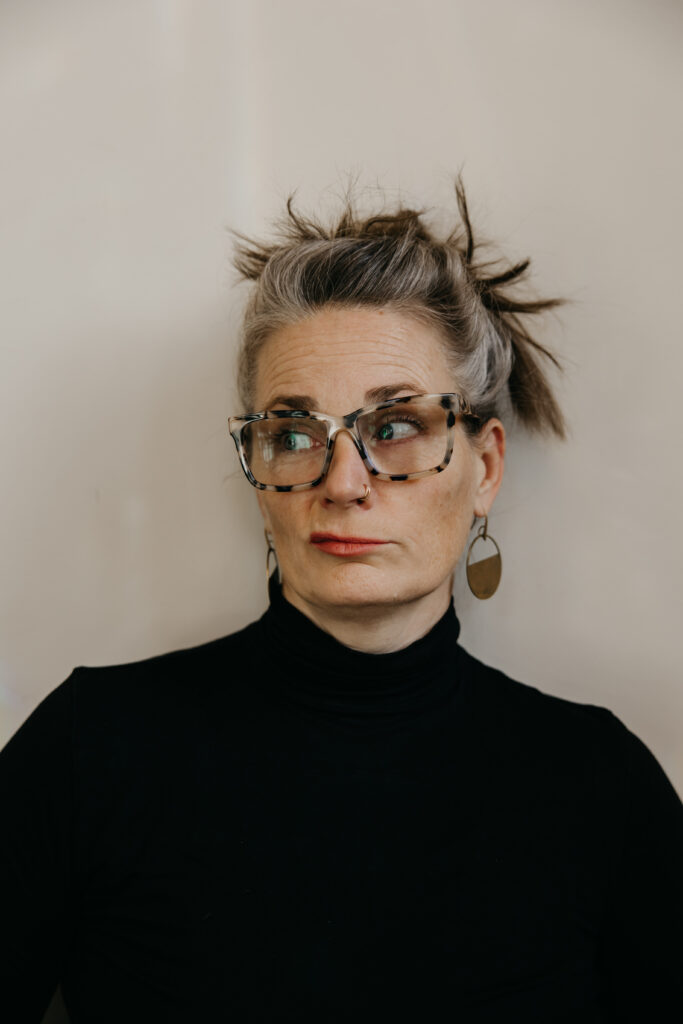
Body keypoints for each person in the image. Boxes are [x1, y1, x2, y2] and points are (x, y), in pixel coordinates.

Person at [1, 179, 682, 1024]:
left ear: (485, 468)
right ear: (260, 476)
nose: (343, 482)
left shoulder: (599, 785)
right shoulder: (91, 751)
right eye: (294, 435)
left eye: (394, 427)